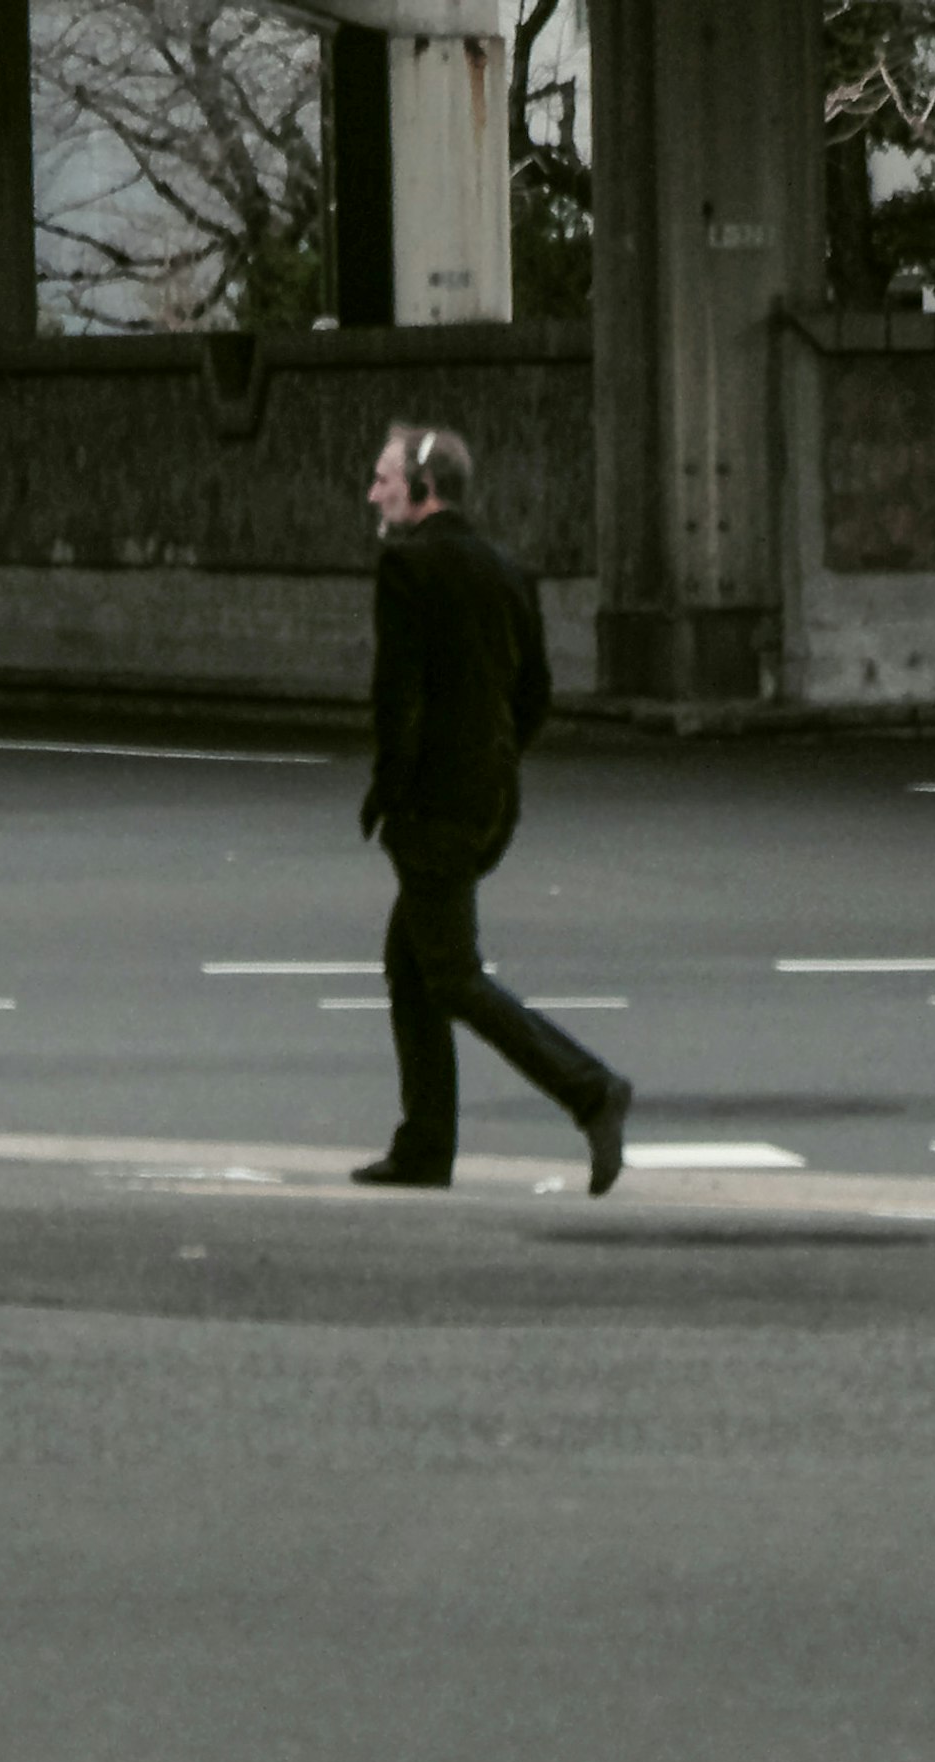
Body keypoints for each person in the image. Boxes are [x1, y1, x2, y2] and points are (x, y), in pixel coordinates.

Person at [355, 422, 631, 1199]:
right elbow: (535, 694)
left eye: (383, 478)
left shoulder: (406, 568)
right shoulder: (509, 572)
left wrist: (390, 792)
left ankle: (591, 1090)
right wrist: (498, 760)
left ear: (421, 487)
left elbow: (397, 699)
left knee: (453, 976)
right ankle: (424, 1145)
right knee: (411, 969)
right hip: (490, 803)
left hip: (434, 808)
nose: (374, 492)